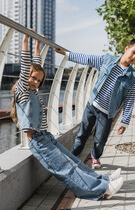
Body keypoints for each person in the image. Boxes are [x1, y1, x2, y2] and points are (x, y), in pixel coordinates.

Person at [11, 33, 124, 201]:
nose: (35, 82)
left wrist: (38, 46)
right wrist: (26, 40)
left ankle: (102, 180)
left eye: (39, 81)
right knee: (66, 168)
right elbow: (27, 67)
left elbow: (35, 66)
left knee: (73, 161)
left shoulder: (32, 91)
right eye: (33, 78)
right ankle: (101, 191)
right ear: (25, 77)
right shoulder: (23, 92)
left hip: (45, 136)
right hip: (37, 141)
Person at [54, 39, 135, 169]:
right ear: (126, 49)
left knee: (100, 140)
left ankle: (95, 157)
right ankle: (73, 158)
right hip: (92, 106)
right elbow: (88, 59)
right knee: (81, 135)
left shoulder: (132, 77)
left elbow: (129, 101)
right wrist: (67, 54)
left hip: (108, 112)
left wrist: (124, 122)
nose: (134, 57)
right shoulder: (107, 60)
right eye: (133, 52)